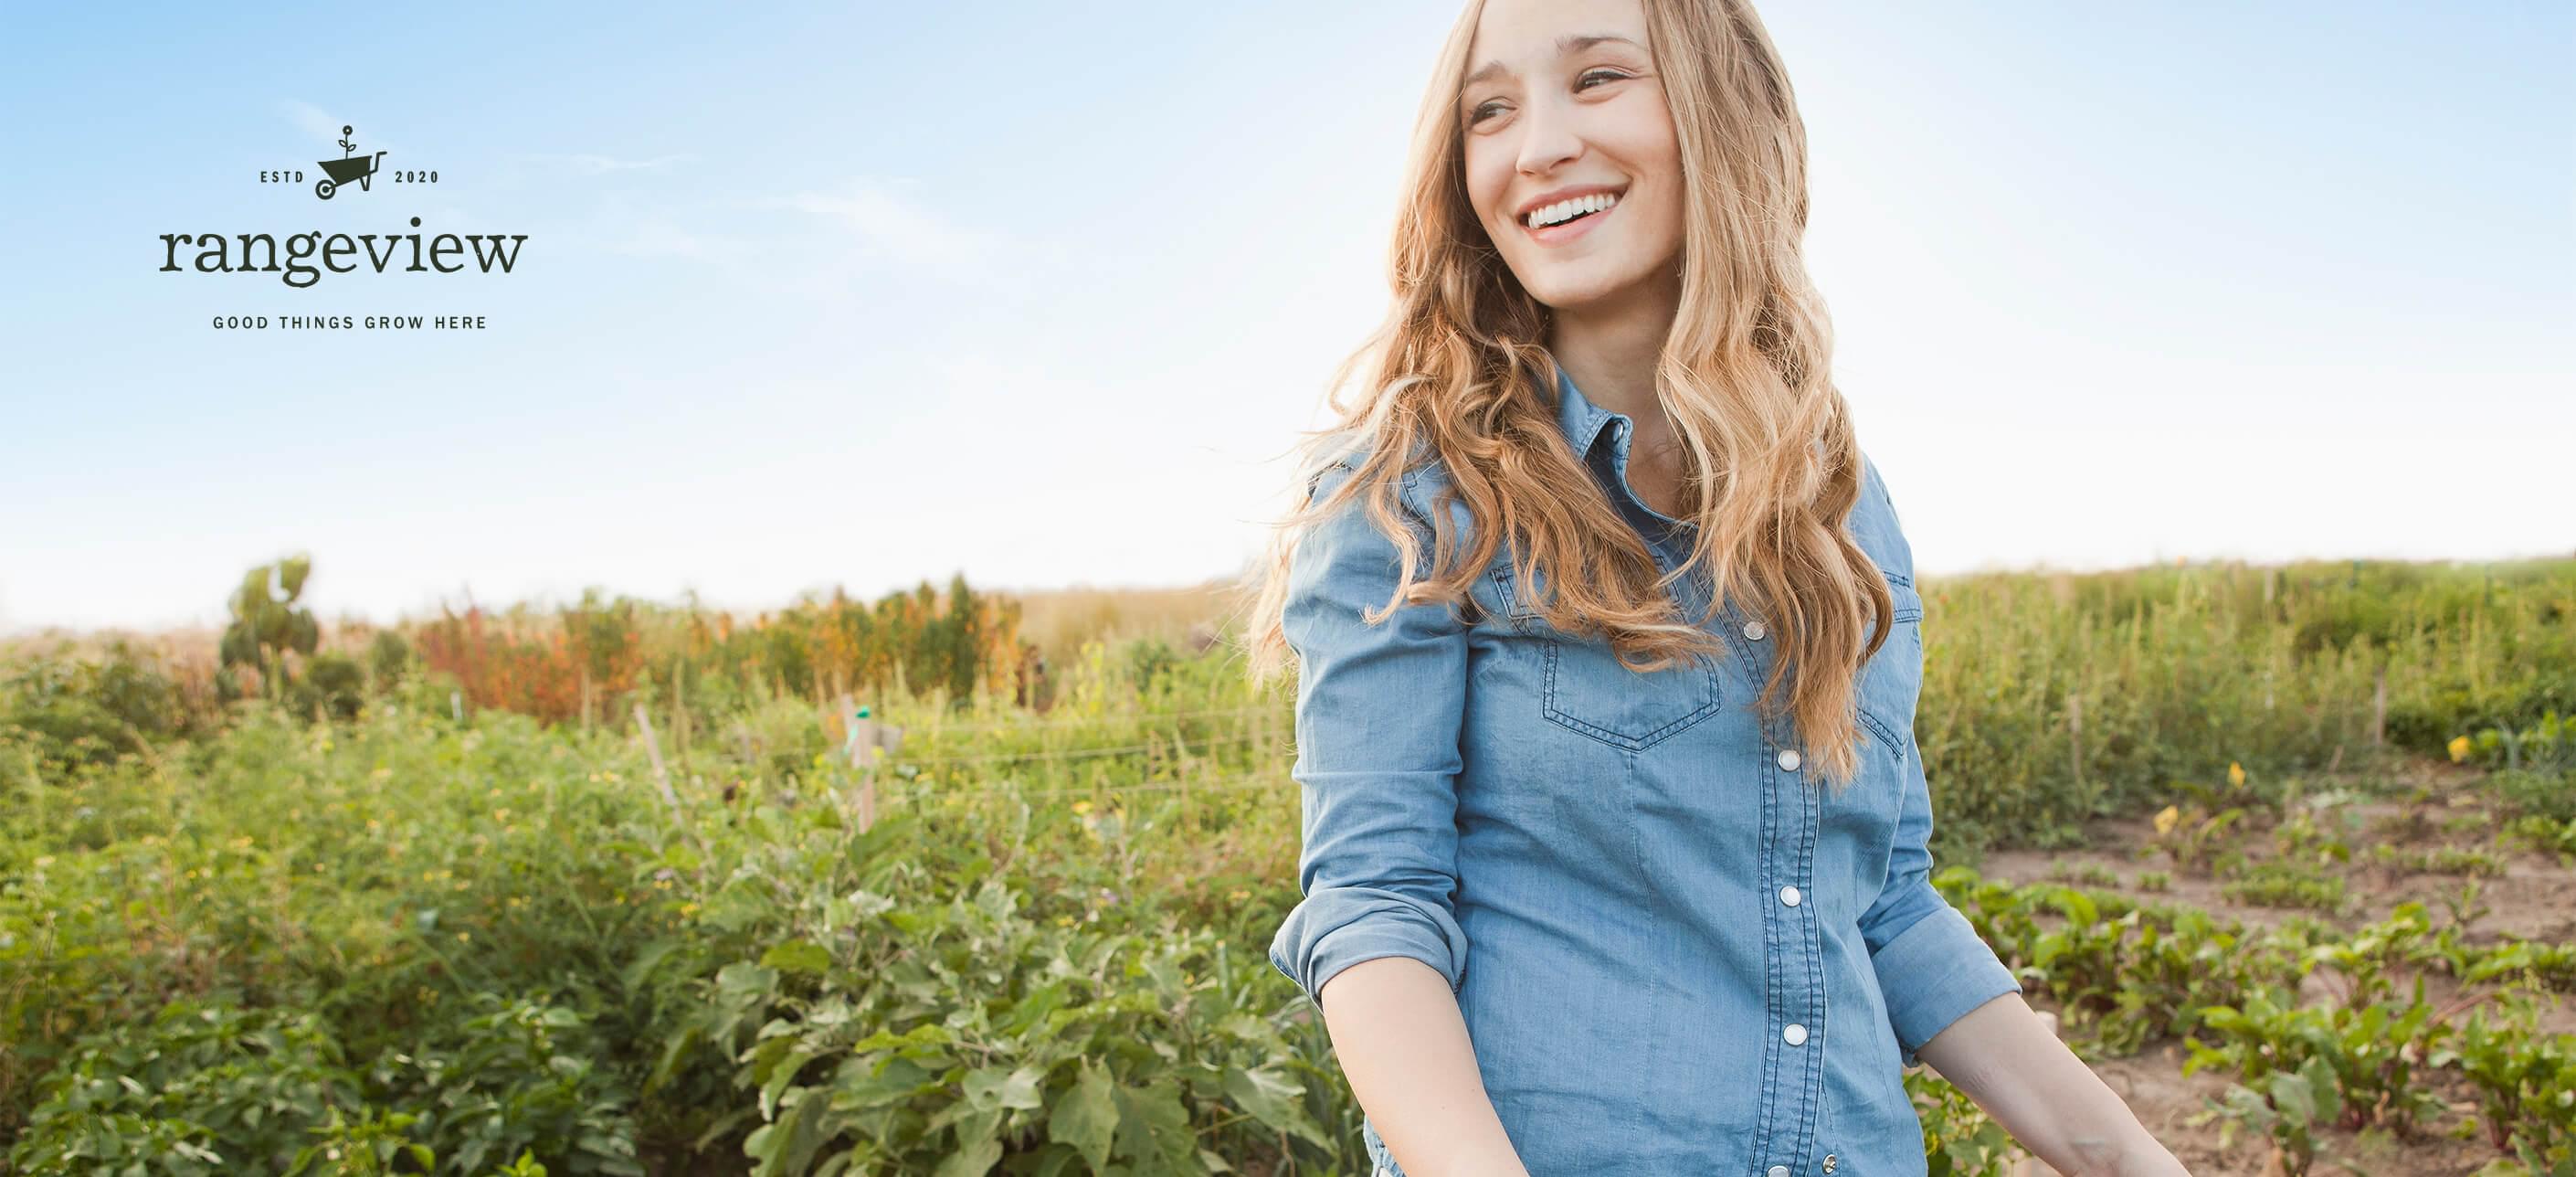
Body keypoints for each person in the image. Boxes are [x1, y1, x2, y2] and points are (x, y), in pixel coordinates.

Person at [1237, 1, 2191, 1174]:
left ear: (1724, 119)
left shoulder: (1841, 505)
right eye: (1490, 110)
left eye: (1596, 80)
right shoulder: (1413, 498)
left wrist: (2137, 1161)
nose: (1535, 146)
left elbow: (1885, 902)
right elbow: (1375, 910)